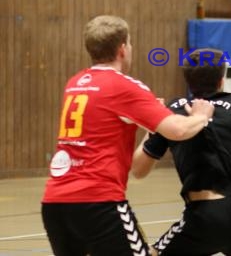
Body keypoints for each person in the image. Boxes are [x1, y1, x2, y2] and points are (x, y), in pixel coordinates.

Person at [41, 15, 215, 256]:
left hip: (55, 203)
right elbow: (178, 129)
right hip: (99, 202)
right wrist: (201, 115)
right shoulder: (124, 86)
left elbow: (106, 125)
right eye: (130, 43)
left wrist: (148, 120)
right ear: (122, 49)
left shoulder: (76, 82)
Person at [131, 48, 231, 256]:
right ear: (221, 80)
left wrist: (153, 124)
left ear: (188, 82)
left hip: (206, 214)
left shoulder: (174, 110)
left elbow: (138, 171)